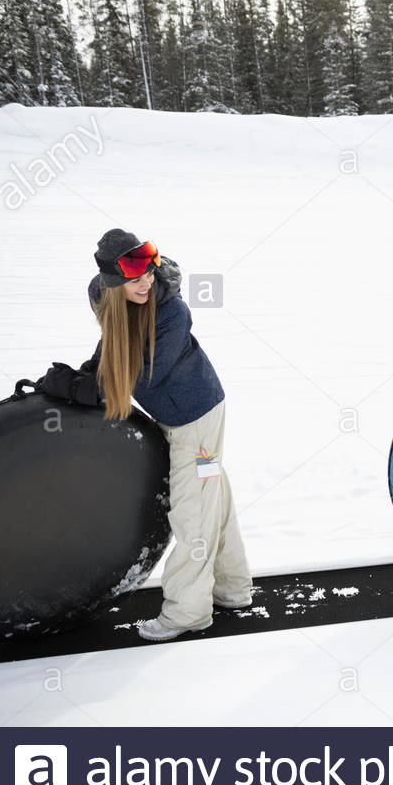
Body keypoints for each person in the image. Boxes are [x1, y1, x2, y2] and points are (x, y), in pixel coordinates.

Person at [86, 229, 252, 641]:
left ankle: (188, 612)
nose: (146, 282)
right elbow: (113, 342)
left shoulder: (172, 311)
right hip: (181, 419)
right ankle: (233, 589)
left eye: (150, 272)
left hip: (196, 420)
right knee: (212, 496)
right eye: (134, 277)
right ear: (111, 281)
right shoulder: (105, 295)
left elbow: (142, 370)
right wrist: (83, 375)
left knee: (192, 511)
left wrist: (93, 384)